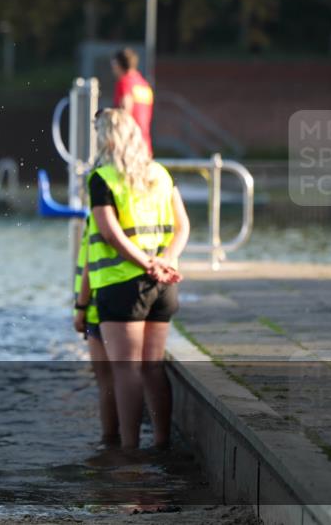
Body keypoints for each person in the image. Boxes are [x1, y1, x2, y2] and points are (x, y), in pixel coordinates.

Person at [86, 109, 189, 450]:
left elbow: (112, 235)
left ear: (105, 139)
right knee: (152, 368)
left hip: (121, 287)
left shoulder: (102, 178)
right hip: (162, 286)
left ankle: (128, 451)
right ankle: (161, 444)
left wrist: (147, 264)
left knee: (125, 371)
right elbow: (182, 225)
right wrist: (166, 262)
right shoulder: (160, 174)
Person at [72, 220, 119, 448]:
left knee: (107, 383)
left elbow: (92, 261)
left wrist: (80, 306)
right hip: (144, 293)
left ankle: (111, 443)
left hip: (98, 306)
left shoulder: (100, 210)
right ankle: (145, 446)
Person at [111, 48, 154, 155]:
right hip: (144, 145)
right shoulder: (144, 84)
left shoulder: (124, 82)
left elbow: (126, 110)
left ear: (118, 64)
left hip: (129, 146)